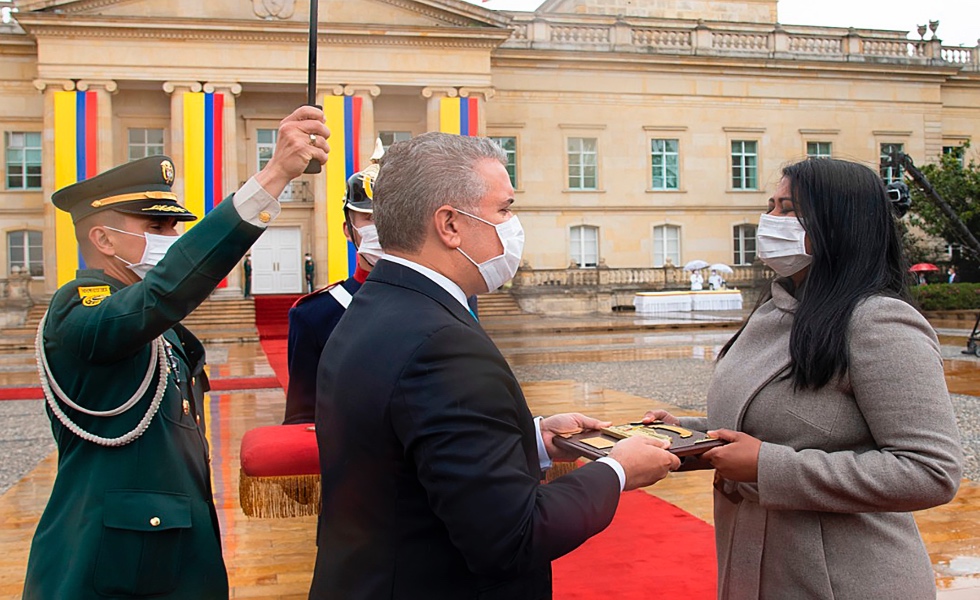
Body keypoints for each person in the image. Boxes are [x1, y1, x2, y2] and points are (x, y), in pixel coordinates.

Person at [310, 132, 680, 599]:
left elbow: (413, 446)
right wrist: (617, 471)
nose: (513, 224)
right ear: (450, 225)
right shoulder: (441, 343)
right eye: (504, 210)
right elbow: (511, 537)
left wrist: (534, 439)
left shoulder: (380, 305)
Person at [23, 106, 329, 600]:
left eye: (174, 227)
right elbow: (163, 293)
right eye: (157, 226)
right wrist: (273, 177)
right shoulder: (78, 309)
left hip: (176, 552)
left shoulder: (160, 330)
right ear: (101, 238)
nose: (172, 238)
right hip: (112, 564)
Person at [645, 157, 962, 599]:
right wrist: (687, 436)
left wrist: (767, 466)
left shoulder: (879, 322)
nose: (770, 220)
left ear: (838, 223)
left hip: (843, 579)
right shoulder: (774, 309)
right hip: (756, 563)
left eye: (788, 209)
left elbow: (931, 470)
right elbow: (768, 422)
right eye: (770, 206)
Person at [283, 152, 384, 425]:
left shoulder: (451, 297)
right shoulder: (315, 315)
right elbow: (303, 417)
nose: (384, 229)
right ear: (348, 230)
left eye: (392, 217)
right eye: (370, 219)